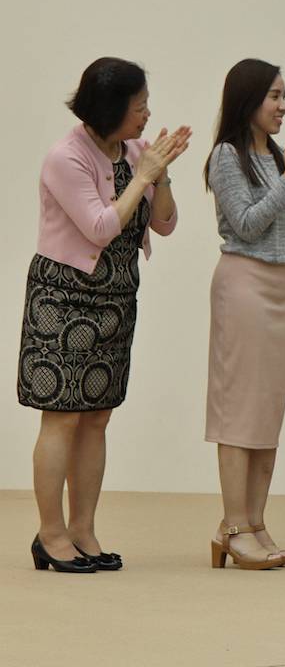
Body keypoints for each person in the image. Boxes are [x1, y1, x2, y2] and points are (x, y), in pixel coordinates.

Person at [21, 57, 190, 573]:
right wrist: (144, 176)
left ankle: (83, 530)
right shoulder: (65, 157)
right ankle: (50, 535)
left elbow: (165, 224)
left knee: (97, 417)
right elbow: (98, 226)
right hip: (63, 300)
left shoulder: (136, 151)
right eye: (139, 107)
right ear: (111, 109)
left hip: (115, 299)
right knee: (62, 417)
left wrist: (161, 175)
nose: (147, 115)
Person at [204, 59, 285, 570]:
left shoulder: (279, 156)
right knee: (239, 412)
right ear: (248, 99)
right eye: (274, 96)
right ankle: (233, 526)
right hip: (244, 284)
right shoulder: (226, 156)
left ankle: (254, 521)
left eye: (284, 95)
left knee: (267, 412)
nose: (283, 106)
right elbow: (248, 224)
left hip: (281, 289)